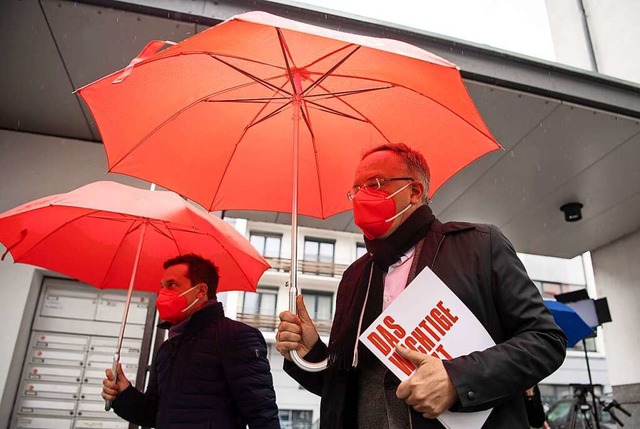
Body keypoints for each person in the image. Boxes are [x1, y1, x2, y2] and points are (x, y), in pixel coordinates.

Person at [276, 143, 567, 428]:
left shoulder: (478, 246)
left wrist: (458, 379)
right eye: (356, 190)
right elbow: (344, 390)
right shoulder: (355, 277)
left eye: (375, 184)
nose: (362, 197)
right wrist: (310, 352)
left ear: (414, 191)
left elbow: (545, 341)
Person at [102, 253, 280, 429]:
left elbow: (262, 415)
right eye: (162, 286)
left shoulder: (235, 336)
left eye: (171, 285)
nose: (162, 293)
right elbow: (152, 414)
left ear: (201, 291)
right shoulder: (166, 348)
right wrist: (123, 393)